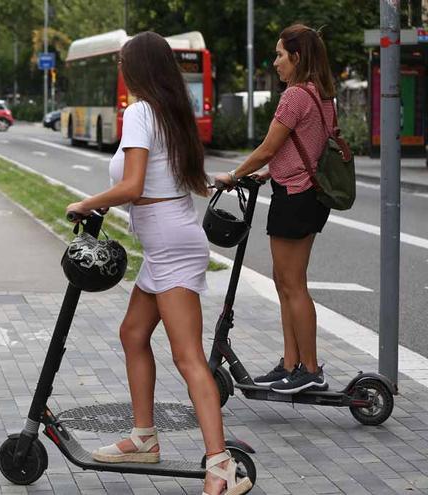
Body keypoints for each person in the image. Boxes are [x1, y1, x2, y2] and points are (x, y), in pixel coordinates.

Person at [65, 32, 250, 495]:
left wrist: (87, 203)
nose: (121, 71)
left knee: (188, 358)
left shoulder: (140, 112)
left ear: (137, 68)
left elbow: (131, 185)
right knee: (132, 333)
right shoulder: (170, 110)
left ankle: (221, 465)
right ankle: (144, 436)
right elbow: (174, 177)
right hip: (167, 242)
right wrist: (223, 177)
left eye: (124, 63)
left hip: (170, 245)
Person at [214, 24, 333, 395]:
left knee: (292, 285)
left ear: (296, 58)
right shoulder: (323, 95)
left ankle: (309, 369)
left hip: (295, 197)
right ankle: (290, 364)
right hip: (308, 195)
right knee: (286, 283)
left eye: (280, 54)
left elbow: (268, 147)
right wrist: (269, 172)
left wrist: (234, 175)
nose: (276, 61)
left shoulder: (295, 96)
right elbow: (305, 148)